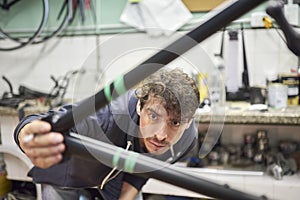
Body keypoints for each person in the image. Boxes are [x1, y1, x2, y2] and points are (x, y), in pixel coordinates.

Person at [14, 68, 200, 200]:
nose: (161, 135)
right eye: (153, 116)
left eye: (175, 123)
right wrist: (26, 135)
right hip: (68, 173)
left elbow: (148, 167)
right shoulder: (105, 117)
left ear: (189, 122)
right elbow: (43, 122)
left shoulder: (185, 140)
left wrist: (127, 194)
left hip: (114, 176)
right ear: (139, 106)